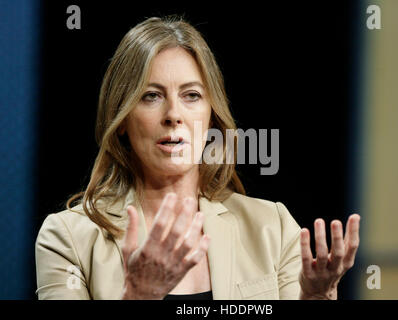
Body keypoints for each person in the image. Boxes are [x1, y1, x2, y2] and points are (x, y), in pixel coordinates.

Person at [35, 16, 360, 300]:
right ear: (121, 121)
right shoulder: (67, 238)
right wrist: (140, 296)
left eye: (191, 95)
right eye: (151, 96)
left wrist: (317, 296)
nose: (173, 114)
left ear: (211, 119)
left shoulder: (270, 227)